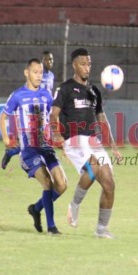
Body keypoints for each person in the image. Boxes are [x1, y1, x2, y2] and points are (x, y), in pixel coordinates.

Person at [51, 48, 122, 239]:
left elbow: (102, 119)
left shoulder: (94, 91)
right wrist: (56, 134)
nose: (87, 67)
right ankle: (74, 205)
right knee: (93, 166)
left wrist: (113, 147)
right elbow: (53, 114)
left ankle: (101, 229)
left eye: (89, 64)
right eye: (83, 64)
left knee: (109, 183)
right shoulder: (65, 88)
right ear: (74, 65)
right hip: (73, 139)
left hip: (93, 141)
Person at [0, 58, 67, 235]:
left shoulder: (46, 94)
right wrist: (6, 138)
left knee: (62, 185)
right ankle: (51, 227)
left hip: (45, 146)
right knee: (47, 182)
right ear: (26, 72)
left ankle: (36, 209)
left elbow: (53, 117)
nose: (39, 76)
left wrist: (58, 136)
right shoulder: (17, 95)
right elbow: (3, 117)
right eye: (35, 72)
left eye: (41, 73)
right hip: (29, 151)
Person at [1, 50, 55, 170]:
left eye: (51, 59)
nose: (49, 62)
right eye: (47, 59)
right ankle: (12, 153)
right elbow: (3, 116)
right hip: (32, 111)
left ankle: (13, 153)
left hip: (43, 107)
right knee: (30, 140)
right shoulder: (21, 92)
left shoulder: (51, 76)